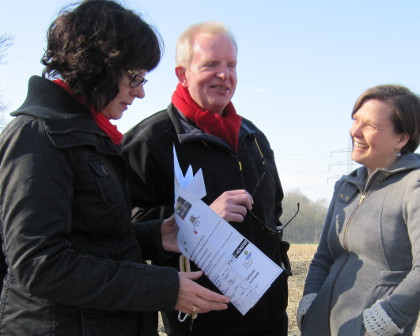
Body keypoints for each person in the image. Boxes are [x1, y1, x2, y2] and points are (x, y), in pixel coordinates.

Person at [0, 2, 230, 335]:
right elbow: (41, 265)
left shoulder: (88, 136)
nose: (140, 92)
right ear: (98, 67)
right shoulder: (37, 136)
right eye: (134, 77)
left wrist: (156, 235)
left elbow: (91, 239)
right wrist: (165, 288)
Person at [122, 21, 290, 336]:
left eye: (231, 65)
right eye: (210, 64)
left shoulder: (254, 138)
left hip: (272, 320)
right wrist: (201, 220)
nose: (224, 74)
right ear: (182, 74)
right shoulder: (149, 140)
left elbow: (273, 211)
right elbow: (119, 227)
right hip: (202, 323)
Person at [297, 84, 420, 336]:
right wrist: (310, 301)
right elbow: (323, 258)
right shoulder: (346, 186)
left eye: (370, 126)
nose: (355, 132)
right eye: (356, 120)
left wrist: (390, 315)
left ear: (401, 138)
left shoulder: (413, 186)